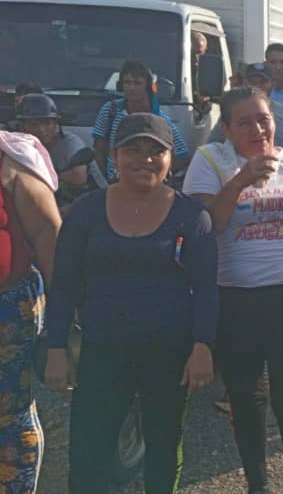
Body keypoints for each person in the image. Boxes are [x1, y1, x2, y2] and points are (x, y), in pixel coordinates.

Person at [45, 113, 217, 494]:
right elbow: (64, 286)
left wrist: (203, 346)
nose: (145, 159)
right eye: (133, 150)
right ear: (115, 157)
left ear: (171, 157)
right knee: (90, 452)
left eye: (156, 151)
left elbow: (206, 288)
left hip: (169, 353)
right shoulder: (86, 213)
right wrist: (55, 346)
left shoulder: (192, 217)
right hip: (102, 351)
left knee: (163, 446)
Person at [183, 87, 283, 493]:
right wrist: (240, 181)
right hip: (236, 300)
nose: (257, 129)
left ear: (276, 121)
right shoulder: (210, 161)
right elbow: (206, 227)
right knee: (246, 399)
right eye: (245, 122)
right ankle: (259, 486)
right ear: (227, 129)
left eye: (264, 119)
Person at [0, 130, 60, 494]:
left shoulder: (11, 161)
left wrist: (64, 319)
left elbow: (48, 233)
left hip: (8, 308)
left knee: (9, 410)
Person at [92, 59, 190, 182]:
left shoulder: (160, 120)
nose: (131, 88)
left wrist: (156, 176)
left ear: (147, 86)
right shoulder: (110, 110)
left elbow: (182, 156)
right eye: (127, 83)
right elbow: (99, 148)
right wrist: (105, 181)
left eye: (137, 83)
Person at [16, 94, 106, 208]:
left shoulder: (70, 143)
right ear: (23, 127)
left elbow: (79, 177)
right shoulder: (21, 145)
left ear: (56, 123)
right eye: (34, 124)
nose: (41, 129)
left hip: (92, 201)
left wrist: (39, 177)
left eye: (46, 123)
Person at [208, 63, 283, 154]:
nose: (258, 86)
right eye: (252, 81)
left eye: (263, 81)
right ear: (245, 83)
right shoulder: (234, 114)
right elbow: (212, 144)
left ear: (272, 84)